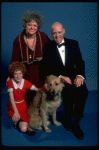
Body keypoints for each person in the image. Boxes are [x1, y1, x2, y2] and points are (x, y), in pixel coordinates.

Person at [39, 22, 88, 139]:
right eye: (54, 33)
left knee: (83, 92)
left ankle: (76, 123)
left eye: (59, 32)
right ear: (51, 33)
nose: (57, 35)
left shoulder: (73, 44)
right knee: (69, 93)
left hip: (74, 76)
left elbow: (80, 62)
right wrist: (61, 77)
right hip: (59, 79)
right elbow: (46, 69)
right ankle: (68, 118)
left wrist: (80, 76)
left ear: (64, 31)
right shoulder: (47, 49)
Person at [7, 10, 50, 106]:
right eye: (30, 24)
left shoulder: (43, 36)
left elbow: (52, 51)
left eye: (35, 25)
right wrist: (10, 76)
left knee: (41, 95)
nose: (32, 27)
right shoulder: (17, 40)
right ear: (25, 24)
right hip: (25, 73)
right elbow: (14, 61)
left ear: (38, 26)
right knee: (26, 97)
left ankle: (40, 113)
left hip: (40, 72)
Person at [6, 61, 38, 135]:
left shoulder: (25, 82)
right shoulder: (10, 82)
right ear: (12, 74)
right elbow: (12, 99)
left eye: (20, 73)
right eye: (15, 74)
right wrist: (16, 112)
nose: (18, 76)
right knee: (15, 118)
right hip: (13, 106)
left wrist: (45, 89)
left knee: (23, 129)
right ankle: (15, 122)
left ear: (23, 73)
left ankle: (20, 122)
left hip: (22, 106)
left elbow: (36, 89)